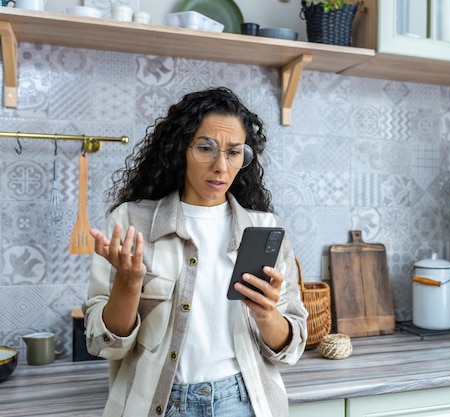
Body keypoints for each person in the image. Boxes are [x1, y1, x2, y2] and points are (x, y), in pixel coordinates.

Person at [83, 87, 308, 417]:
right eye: (206, 148)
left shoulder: (263, 229)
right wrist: (129, 285)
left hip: (243, 402)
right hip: (158, 404)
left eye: (233, 153)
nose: (220, 166)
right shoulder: (132, 221)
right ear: (180, 149)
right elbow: (104, 346)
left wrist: (266, 313)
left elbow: (288, 351)